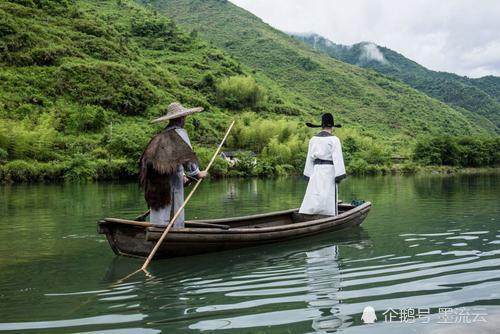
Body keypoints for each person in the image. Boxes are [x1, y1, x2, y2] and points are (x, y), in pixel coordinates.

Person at [139, 102, 208, 228]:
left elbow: (170, 160)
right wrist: (197, 173)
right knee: (173, 208)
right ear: (182, 118)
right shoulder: (179, 133)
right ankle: (172, 230)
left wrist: (183, 176)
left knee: (160, 210)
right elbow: (187, 157)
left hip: (156, 182)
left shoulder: (161, 135)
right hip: (170, 180)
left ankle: (156, 228)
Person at [299, 113, 346, 216]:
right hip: (329, 170)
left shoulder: (313, 139)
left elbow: (309, 158)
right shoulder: (334, 140)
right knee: (328, 193)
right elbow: (337, 159)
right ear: (332, 127)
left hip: (316, 170)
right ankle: (329, 214)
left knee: (314, 192)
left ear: (322, 126)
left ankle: (309, 212)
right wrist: (339, 175)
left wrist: (308, 174)